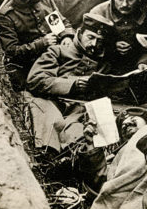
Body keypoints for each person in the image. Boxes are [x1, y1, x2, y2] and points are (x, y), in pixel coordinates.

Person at [25, 13, 114, 151]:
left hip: (79, 111)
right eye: (90, 38)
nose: (95, 44)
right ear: (79, 33)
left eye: (100, 41)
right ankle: (49, 155)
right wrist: (72, 84)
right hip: (52, 103)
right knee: (51, 128)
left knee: (91, 134)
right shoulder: (58, 52)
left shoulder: (104, 63)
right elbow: (35, 79)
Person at [0, 0, 73, 90]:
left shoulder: (45, 2)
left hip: (55, 56)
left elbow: (59, 26)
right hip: (31, 66)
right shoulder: (7, 16)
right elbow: (11, 52)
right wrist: (41, 43)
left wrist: (66, 36)